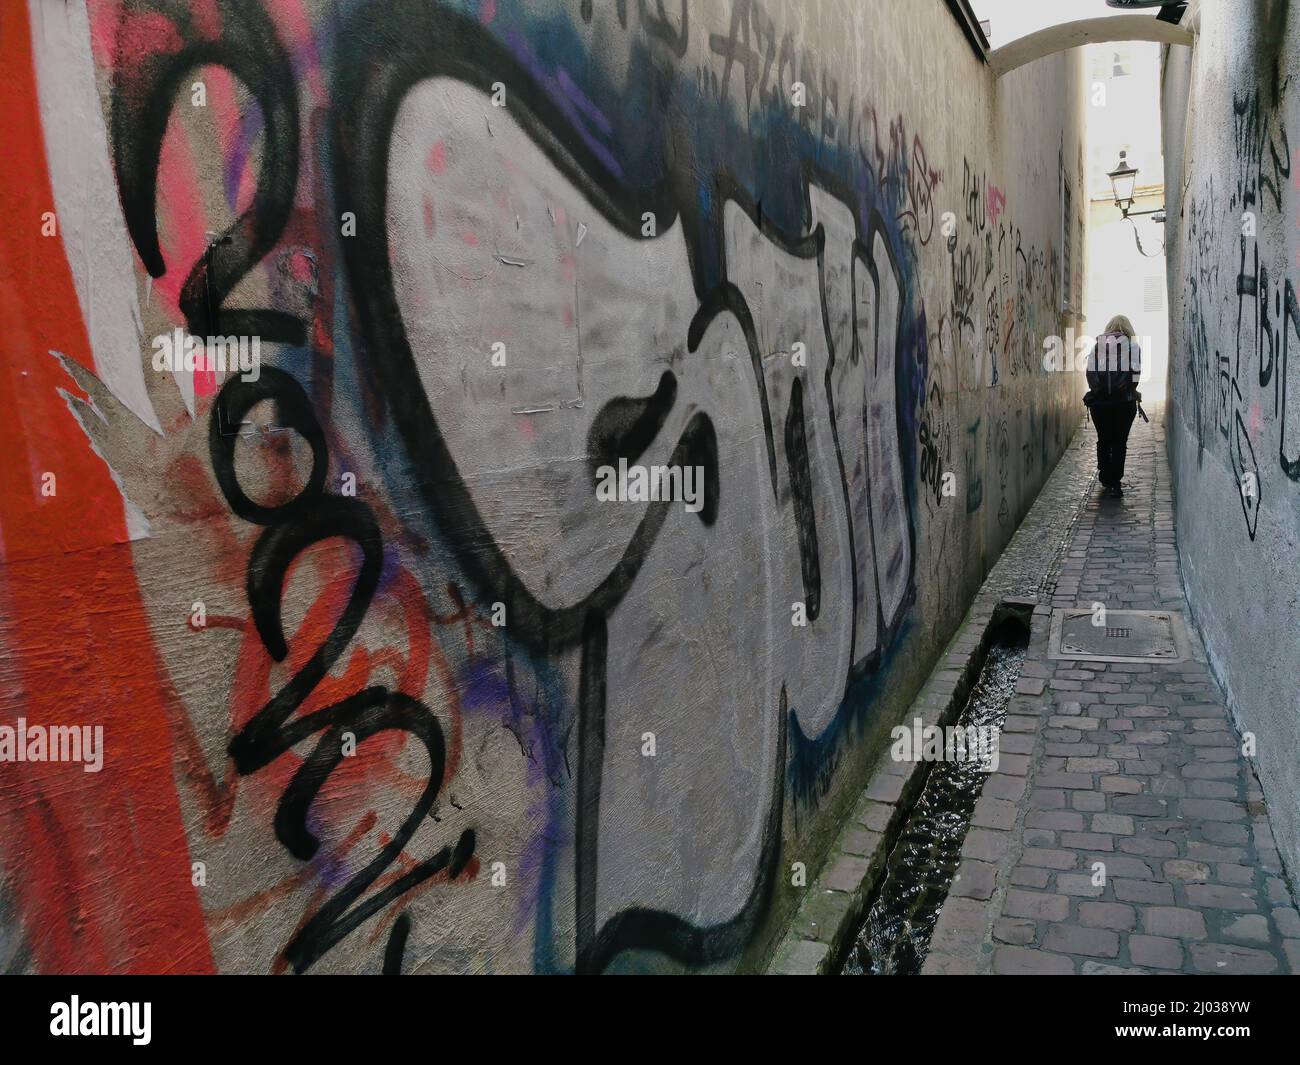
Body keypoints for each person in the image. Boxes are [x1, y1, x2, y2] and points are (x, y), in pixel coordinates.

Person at [1083, 315, 1141, 498]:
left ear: (1109, 327)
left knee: (1103, 438)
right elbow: (1136, 375)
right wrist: (1129, 390)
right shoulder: (1133, 346)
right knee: (1119, 442)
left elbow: (1090, 373)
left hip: (1100, 405)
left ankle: (1104, 476)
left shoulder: (1098, 345)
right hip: (1124, 403)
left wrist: (1098, 391)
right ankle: (1115, 483)